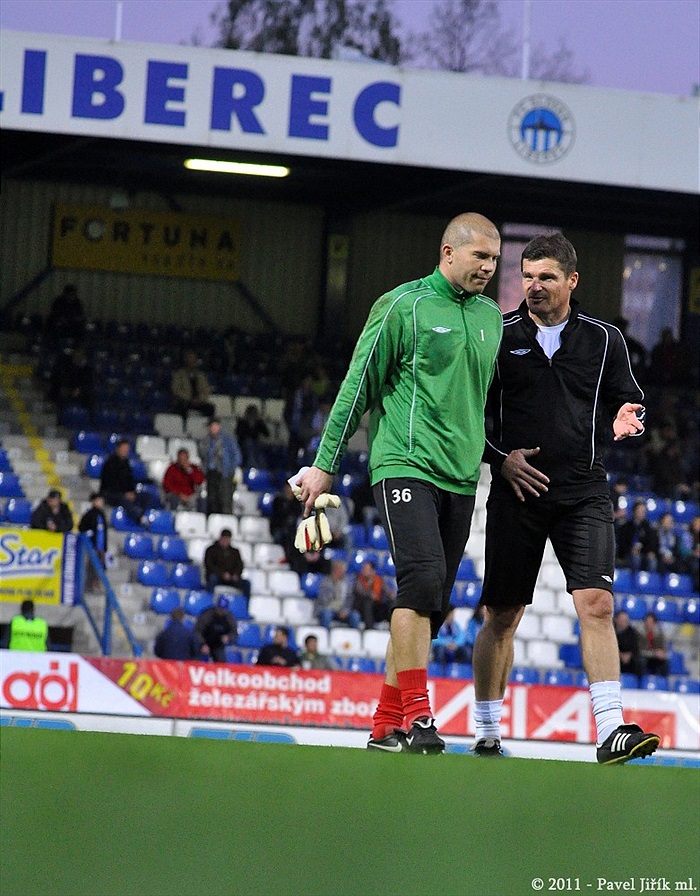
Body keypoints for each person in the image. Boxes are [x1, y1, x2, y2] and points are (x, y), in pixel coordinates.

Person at [295, 212, 503, 754]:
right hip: (405, 464)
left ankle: (385, 724)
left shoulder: (491, 318)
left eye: (495, 259)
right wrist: (325, 464)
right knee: (421, 581)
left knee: (432, 603)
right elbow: (356, 387)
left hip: (462, 478)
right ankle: (418, 717)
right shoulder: (400, 307)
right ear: (447, 252)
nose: (489, 267)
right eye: (480, 256)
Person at [472, 231, 659, 764]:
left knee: (596, 605)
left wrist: (630, 416)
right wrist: (499, 459)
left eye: (546, 277)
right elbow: (471, 415)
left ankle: (610, 731)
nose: (534, 286)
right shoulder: (498, 336)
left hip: (584, 492)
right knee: (502, 615)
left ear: (572, 281)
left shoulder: (606, 340)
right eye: (527, 277)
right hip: (516, 492)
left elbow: (632, 403)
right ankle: (487, 732)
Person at [100, 438, 150, 524]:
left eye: (127, 449)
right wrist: (125, 494)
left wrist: (132, 492)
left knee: (147, 496)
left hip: (125, 493)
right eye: (124, 449)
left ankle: (144, 515)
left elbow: (130, 481)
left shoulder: (126, 463)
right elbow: (109, 483)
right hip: (110, 493)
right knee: (123, 498)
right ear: (118, 449)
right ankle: (139, 518)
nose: (125, 451)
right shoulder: (110, 463)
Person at [198, 418, 242, 516]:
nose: (212, 429)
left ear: (219, 426)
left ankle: (226, 519)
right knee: (212, 499)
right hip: (211, 473)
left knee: (225, 499)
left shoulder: (228, 440)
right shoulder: (206, 440)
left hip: (225, 473)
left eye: (214, 426)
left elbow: (237, 456)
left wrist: (230, 469)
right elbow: (203, 455)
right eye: (211, 426)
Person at [203, 528, 251, 600]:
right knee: (212, 579)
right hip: (218, 577)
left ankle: (245, 605)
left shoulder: (235, 552)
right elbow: (209, 565)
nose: (225, 541)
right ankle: (208, 601)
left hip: (231, 578)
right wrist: (222, 574)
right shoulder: (211, 550)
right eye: (224, 539)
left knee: (246, 584)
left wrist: (236, 574)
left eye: (227, 539)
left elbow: (240, 565)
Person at [315, 559, 362, 630]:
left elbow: (350, 599)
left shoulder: (347, 583)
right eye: (338, 570)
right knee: (326, 614)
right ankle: (324, 635)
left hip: (343, 610)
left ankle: (354, 637)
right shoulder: (325, 582)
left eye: (342, 570)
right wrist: (334, 584)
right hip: (328, 608)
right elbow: (323, 600)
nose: (341, 572)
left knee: (355, 616)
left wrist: (346, 610)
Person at [171, 349, 215, 422]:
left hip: (199, 401)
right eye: (190, 358)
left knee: (210, 408)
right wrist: (189, 399)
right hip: (185, 401)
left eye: (194, 359)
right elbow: (176, 389)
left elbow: (206, 389)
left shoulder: (201, 375)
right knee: (181, 407)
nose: (192, 361)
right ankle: (184, 427)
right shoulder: (179, 374)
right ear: (186, 360)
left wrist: (199, 399)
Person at [616, 498, 659, 572]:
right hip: (628, 554)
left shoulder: (648, 527)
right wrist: (631, 549)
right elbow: (622, 543)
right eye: (640, 510)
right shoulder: (625, 527)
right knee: (636, 558)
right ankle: (634, 580)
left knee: (652, 561)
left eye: (643, 511)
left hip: (644, 554)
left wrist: (647, 552)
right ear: (634, 511)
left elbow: (652, 543)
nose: (642, 513)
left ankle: (649, 581)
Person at [351, 558, 395, 630]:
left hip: (375, 608)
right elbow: (359, 591)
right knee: (368, 602)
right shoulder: (358, 579)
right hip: (362, 608)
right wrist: (370, 594)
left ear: (373, 571)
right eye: (364, 569)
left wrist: (391, 595)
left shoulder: (378, 580)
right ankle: (369, 629)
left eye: (366, 569)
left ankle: (391, 628)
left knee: (391, 604)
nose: (364, 571)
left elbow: (388, 592)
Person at [78, 492, 108, 589]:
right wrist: (89, 535)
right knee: (91, 567)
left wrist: (104, 547)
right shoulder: (89, 514)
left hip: (101, 546)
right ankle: (87, 586)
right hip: (92, 546)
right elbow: (81, 527)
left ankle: (96, 585)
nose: (101, 503)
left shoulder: (102, 515)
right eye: (99, 500)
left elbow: (104, 532)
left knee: (101, 567)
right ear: (93, 502)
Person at [194, 596, 238, 663]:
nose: (221, 612)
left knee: (221, 663)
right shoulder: (207, 614)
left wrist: (229, 637)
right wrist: (202, 644)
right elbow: (197, 631)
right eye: (219, 609)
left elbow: (234, 633)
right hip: (204, 642)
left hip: (218, 645)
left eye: (223, 610)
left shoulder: (229, 617)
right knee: (197, 661)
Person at [236, 403, 270, 469]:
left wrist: (261, 422)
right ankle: (252, 466)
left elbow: (267, 434)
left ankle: (262, 469)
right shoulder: (242, 422)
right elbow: (238, 433)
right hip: (244, 444)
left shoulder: (259, 422)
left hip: (256, 443)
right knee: (249, 445)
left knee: (259, 452)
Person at [614, 610, 644, 680]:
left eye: (626, 620)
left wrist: (629, 655)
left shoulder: (632, 632)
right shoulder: (611, 631)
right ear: (616, 620)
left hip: (630, 658)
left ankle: (637, 683)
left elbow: (636, 647)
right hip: (615, 656)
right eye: (622, 620)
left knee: (640, 662)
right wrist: (620, 655)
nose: (624, 622)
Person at [640, 611, 669, 677]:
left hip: (656, 659)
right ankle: (641, 680)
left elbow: (663, 649)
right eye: (647, 622)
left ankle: (663, 682)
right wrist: (654, 653)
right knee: (641, 661)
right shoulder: (640, 634)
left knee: (665, 662)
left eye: (651, 622)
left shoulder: (660, 635)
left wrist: (662, 653)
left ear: (655, 623)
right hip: (645, 657)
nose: (649, 624)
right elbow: (640, 650)